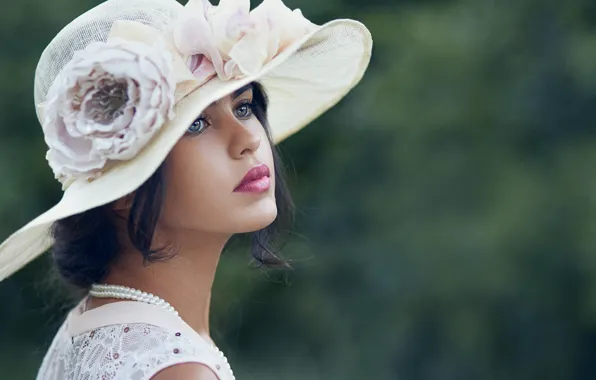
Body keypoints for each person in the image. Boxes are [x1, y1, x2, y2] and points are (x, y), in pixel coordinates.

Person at [0, 0, 372, 378]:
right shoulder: (177, 369)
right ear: (122, 189)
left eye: (243, 107)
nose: (246, 139)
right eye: (196, 125)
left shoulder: (92, 324)